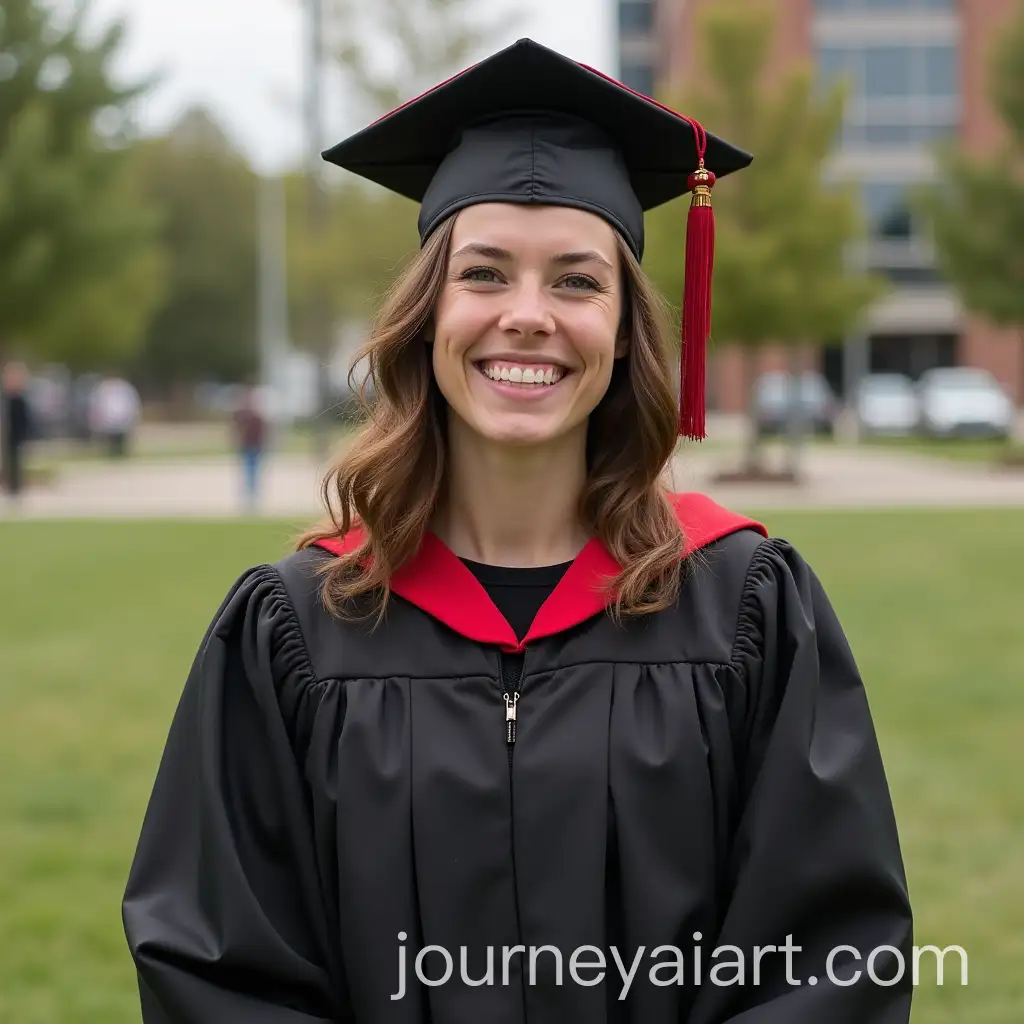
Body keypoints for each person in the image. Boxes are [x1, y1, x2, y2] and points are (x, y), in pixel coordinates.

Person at [122, 39, 913, 1023]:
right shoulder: (294, 630)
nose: (528, 316)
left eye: (577, 282)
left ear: (626, 328)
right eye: (485, 274)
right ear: (426, 315)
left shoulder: (746, 606)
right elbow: (217, 970)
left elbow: (828, 959)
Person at [232, 383, 267, 512]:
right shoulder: (244, 416)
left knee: (254, 471)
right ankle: (248, 494)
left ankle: (253, 494)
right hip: (247, 446)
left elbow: (262, 433)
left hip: (255, 447)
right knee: (248, 470)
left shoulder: (257, 418)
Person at [1, 361, 32, 501]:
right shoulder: (7, 399)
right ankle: (10, 486)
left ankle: (16, 487)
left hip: (16, 433)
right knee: (8, 460)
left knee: (16, 459)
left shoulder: (19, 400)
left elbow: (24, 419)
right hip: (7, 433)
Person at [90, 374, 141, 457]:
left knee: (121, 439)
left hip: (121, 417)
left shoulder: (124, 388)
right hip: (110, 419)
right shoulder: (104, 388)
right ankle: (112, 453)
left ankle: (120, 453)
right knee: (111, 438)